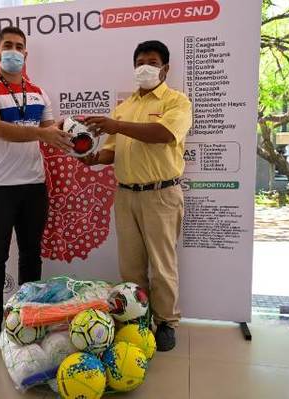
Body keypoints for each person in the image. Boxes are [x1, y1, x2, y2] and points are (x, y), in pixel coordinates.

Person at [81, 40, 192, 351]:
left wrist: (115, 125)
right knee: (130, 266)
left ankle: (166, 322)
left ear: (165, 68)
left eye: (153, 61)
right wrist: (91, 157)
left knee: (162, 265)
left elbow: (163, 135)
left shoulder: (177, 102)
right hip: (126, 194)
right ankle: (137, 317)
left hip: (161, 194)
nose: (145, 66)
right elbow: (112, 151)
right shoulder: (125, 106)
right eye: (140, 61)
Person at [0, 27, 73, 348]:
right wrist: (44, 134)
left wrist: (68, 128)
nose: (14, 51)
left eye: (19, 47)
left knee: (31, 255)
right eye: (8, 46)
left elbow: (48, 130)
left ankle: (29, 317)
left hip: (34, 185)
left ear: (26, 54)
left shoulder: (39, 92)